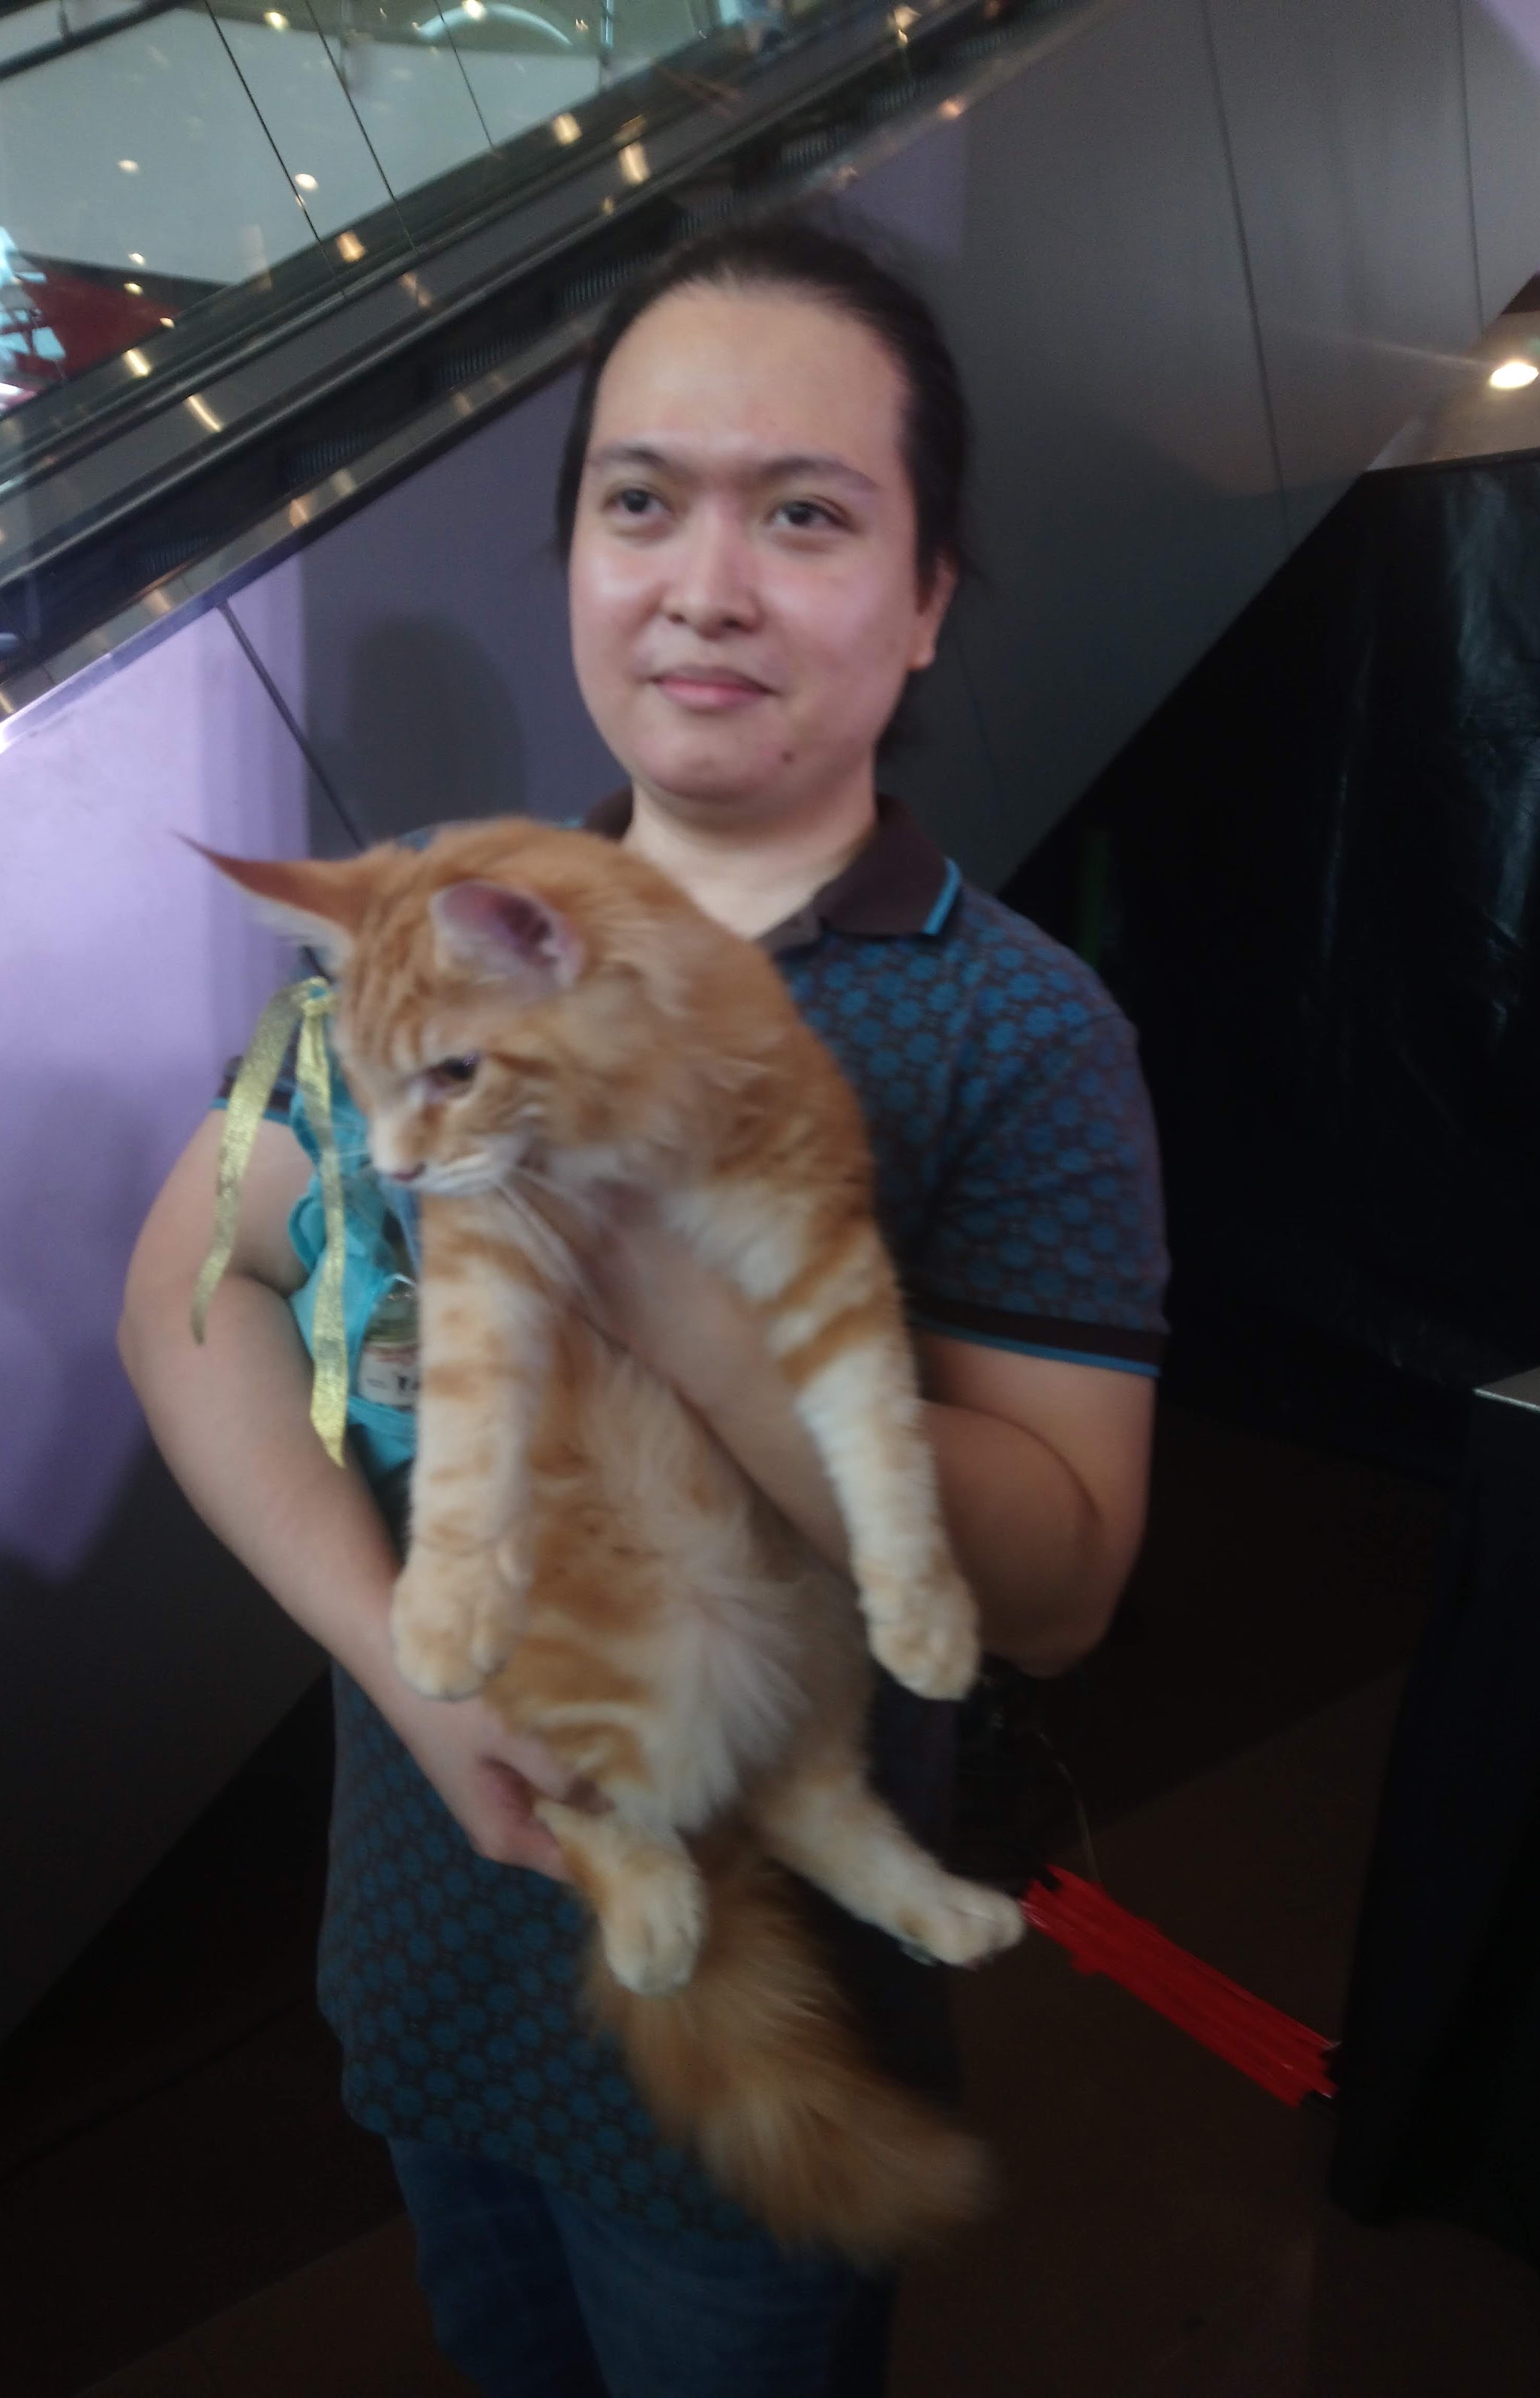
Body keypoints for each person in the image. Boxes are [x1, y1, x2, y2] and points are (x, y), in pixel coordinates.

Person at [118, 217, 1167, 2398]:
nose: (704, 584)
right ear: (578, 558)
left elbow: (1062, 1586)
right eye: (640, 501)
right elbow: (184, 1294)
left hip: (754, 2055)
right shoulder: (435, 930)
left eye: (805, 515)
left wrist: (661, 1275)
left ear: (928, 597)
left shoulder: (1016, 1028)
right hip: (428, 1959)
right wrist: (409, 1682)